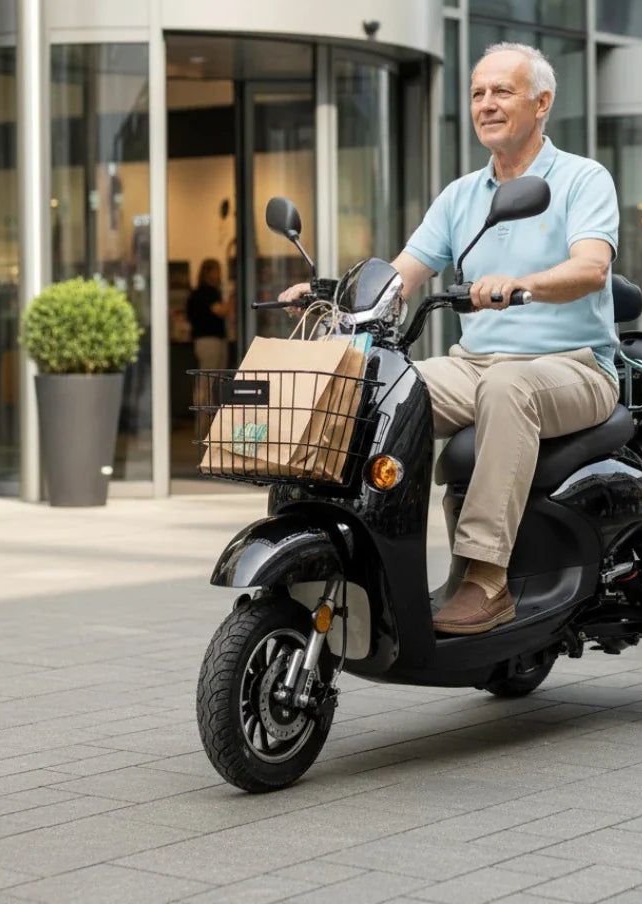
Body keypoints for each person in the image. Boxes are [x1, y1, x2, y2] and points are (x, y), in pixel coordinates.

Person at [281, 42, 620, 634]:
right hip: (475, 364)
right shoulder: (461, 194)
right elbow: (403, 274)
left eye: (501, 92)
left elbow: (592, 268)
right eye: (477, 93)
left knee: (507, 388)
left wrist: (523, 285)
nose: (486, 104)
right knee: (380, 387)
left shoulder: (581, 179)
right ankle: (341, 544)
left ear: (542, 103)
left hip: (575, 365)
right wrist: (332, 300)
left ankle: (487, 578)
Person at [188, 258, 233, 371]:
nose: (220, 274)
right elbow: (221, 311)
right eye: (217, 270)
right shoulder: (205, 293)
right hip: (208, 340)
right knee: (208, 377)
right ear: (209, 273)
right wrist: (232, 296)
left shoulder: (207, 292)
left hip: (213, 339)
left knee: (215, 376)